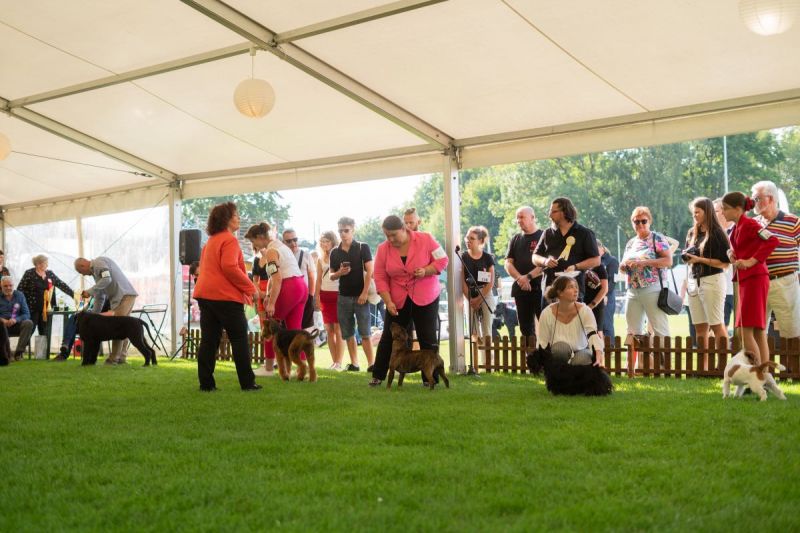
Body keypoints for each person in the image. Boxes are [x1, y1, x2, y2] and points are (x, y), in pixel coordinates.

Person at [369, 215, 448, 386]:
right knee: (388, 337)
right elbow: (380, 276)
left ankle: (431, 379)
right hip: (396, 299)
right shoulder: (383, 249)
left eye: (394, 235)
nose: (390, 239)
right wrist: (388, 301)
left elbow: (443, 260)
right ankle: (378, 375)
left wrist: (426, 270)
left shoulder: (426, 239)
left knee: (427, 337)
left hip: (425, 295)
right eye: (387, 235)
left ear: (404, 229)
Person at [192, 202, 260, 392]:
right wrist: (251, 289)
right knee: (239, 339)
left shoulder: (210, 242)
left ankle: (206, 384)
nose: (239, 218)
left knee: (209, 340)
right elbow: (230, 267)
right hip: (225, 297)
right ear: (227, 219)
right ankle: (247, 383)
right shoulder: (229, 240)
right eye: (236, 215)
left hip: (205, 295)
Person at [722, 192, 779, 369]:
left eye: (725, 208)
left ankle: (756, 374)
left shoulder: (750, 224)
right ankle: (764, 374)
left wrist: (751, 261)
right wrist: (731, 253)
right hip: (748, 281)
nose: (722, 212)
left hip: (755, 279)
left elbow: (772, 241)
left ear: (738, 209)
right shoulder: (737, 227)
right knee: (758, 331)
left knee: (746, 331)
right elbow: (744, 247)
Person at [245, 222, 308, 377]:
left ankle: (268, 367)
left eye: (253, 241)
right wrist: (268, 295)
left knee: (269, 325)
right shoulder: (282, 246)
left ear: (260, 237)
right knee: (295, 330)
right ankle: (302, 368)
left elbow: (277, 279)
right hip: (301, 286)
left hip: (289, 287)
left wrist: (271, 302)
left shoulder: (272, 251)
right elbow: (274, 279)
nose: (254, 245)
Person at [619, 206, 674, 374]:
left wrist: (644, 263)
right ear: (632, 223)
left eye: (643, 221)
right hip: (632, 289)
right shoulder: (631, 243)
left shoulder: (657, 238)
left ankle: (666, 367)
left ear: (649, 221)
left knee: (659, 328)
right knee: (632, 329)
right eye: (636, 222)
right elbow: (622, 267)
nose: (640, 224)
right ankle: (634, 367)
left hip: (653, 288)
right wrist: (623, 266)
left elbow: (668, 261)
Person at [682, 197, 731, 369]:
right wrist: (689, 257)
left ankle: (722, 366)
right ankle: (702, 367)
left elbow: (725, 263)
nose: (694, 215)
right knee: (699, 328)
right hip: (694, 281)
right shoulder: (691, 232)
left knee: (717, 324)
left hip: (712, 281)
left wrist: (699, 259)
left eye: (697, 212)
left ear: (707, 212)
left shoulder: (718, 233)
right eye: (693, 212)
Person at [752, 180, 800, 341]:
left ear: (771, 199)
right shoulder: (753, 223)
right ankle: (761, 360)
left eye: (757, 198)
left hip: (785, 283)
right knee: (756, 332)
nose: (754, 202)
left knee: (792, 333)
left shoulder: (793, 222)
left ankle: (794, 360)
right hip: (757, 283)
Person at [74, 255, 138, 365]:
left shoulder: (99, 263)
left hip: (123, 296)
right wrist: (94, 315)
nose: (83, 275)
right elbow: (100, 295)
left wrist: (89, 291)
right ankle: (121, 358)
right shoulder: (96, 273)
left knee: (118, 328)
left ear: (83, 265)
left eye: (81, 272)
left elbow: (107, 279)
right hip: (126, 296)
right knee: (125, 328)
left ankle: (113, 359)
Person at [330, 217, 374, 372]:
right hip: (343, 297)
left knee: (365, 333)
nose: (343, 233)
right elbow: (331, 275)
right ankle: (355, 364)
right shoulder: (335, 252)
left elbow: (370, 271)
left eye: (346, 230)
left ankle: (371, 364)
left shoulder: (363, 247)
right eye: (340, 231)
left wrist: (364, 293)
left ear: (353, 230)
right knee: (348, 333)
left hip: (361, 296)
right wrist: (339, 273)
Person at [533, 197, 600, 298]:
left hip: (574, 291)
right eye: (550, 211)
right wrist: (545, 261)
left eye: (554, 212)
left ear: (565, 212)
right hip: (550, 290)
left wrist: (576, 266)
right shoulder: (547, 233)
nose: (549, 215)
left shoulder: (585, 233)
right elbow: (534, 257)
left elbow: (596, 260)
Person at [537, 276, 604, 367]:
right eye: (571, 287)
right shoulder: (546, 313)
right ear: (560, 293)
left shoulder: (585, 310)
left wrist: (598, 352)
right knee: (559, 349)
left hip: (582, 350)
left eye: (576, 287)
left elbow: (593, 335)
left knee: (581, 360)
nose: (576, 290)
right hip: (559, 351)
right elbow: (542, 342)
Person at [505, 206, 545, 338]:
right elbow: (508, 263)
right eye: (517, 218)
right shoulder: (515, 239)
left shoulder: (544, 236)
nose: (519, 220)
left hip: (540, 289)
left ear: (532, 217)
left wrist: (528, 277)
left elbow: (546, 263)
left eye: (522, 217)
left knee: (546, 326)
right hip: (521, 289)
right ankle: (530, 351)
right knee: (525, 329)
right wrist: (520, 278)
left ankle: (546, 352)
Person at [17, 254, 75, 340]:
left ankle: (43, 349)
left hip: (47, 308)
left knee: (45, 332)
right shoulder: (29, 273)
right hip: (32, 308)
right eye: (45, 263)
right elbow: (20, 289)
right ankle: (22, 347)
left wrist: (73, 294)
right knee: (30, 329)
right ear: (38, 264)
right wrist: (21, 304)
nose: (47, 265)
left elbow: (61, 284)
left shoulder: (50, 274)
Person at [461, 226, 496, 363]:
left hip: (485, 294)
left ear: (480, 241)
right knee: (474, 331)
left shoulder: (487, 258)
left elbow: (490, 282)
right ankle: (475, 363)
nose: (468, 240)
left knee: (486, 330)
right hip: (469, 296)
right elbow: (462, 281)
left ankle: (488, 363)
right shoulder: (463, 256)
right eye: (467, 237)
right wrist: (470, 299)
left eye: (472, 238)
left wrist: (479, 299)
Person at [315, 230, 344, 370]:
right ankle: (334, 362)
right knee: (329, 330)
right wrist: (316, 296)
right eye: (322, 242)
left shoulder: (340, 256)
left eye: (327, 241)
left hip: (339, 295)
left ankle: (339, 362)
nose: (324, 244)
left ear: (333, 242)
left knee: (338, 329)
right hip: (324, 297)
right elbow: (318, 280)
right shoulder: (320, 259)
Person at [282, 229, 317, 329]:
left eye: (295, 239)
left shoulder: (306, 255)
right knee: (288, 328)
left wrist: (310, 296)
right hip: (286, 298)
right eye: (289, 241)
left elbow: (312, 277)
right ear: (283, 242)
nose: (293, 243)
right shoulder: (281, 256)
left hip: (304, 298)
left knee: (305, 328)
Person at [0, 276, 34, 361]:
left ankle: (19, 353)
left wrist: (16, 320)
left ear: (13, 285)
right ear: (1, 286)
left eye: (10, 285)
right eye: (5, 286)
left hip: (16, 325)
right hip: (2, 326)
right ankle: (7, 354)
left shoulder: (20, 295)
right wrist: (2, 320)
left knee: (28, 323)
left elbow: (26, 314)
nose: (8, 288)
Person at [713, 198, 736, 330]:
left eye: (715, 211)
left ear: (724, 211)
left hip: (738, 287)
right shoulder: (712, 233)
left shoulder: (739, 229)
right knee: (720, 327)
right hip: (719, 287)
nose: (713, 215)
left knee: (743, 327)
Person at [583, 241, 609, 338]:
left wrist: (592, 304)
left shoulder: (600, 267)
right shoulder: (581, 265)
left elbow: (604, 289)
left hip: (596, 305)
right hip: (582, 303)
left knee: (598, 332)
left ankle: (600, 348)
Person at [598, 240, 619, 339]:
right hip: (595, 296)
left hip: (607, 296)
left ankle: (610, 346)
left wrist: (604, 294)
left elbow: (613, 281)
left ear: (601, 248)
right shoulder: (593, 260)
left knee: (606, 324)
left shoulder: (612, 260)